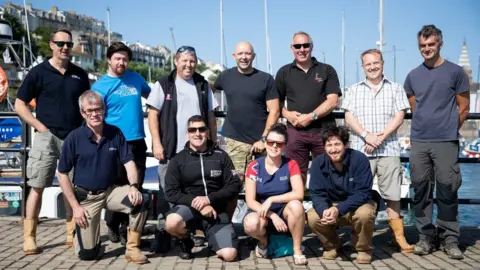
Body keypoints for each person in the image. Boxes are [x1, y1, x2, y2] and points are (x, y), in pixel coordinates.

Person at [14, 29, 90, 254]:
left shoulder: (79, 74)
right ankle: (30, 237)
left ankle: (71, 233)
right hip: (46, 137)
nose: (65, 47)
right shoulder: (39, 72)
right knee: (37, 185)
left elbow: (86, 105)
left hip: (74, 138)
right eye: (60, 43)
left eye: (68, 44)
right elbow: (20, 104)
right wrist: (40, 127)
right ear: (51, 45)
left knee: (72, 188)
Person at [57, 90, 149, 264]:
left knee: (141, 201)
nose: (94, 114)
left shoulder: (115, 133)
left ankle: (133, 248)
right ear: (82, 113)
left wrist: (135, 186)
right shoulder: (74, 138)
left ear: (104, 109)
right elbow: (62, 174)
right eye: (89, 111)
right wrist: (75, 207)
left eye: (98, 109)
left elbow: (129, 162)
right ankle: (83, 236)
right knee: (88, 255)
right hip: (87, 198)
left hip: (111, 191)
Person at [404, 25, 470, 259]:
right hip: (420, 140)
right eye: (422, 45)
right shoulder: (412, 76)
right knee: (420, 189)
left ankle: (449, 239)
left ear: (440, 44)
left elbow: (464, 107)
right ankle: (425, 238)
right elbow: (416, 106)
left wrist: (450, 128)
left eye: (431, 44)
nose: (427, 49)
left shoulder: (456, 72)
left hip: (446, 140)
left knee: (448, 189)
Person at [147, 45, 219, 252]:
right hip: (170, 150)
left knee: (195, 190)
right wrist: (157, 143)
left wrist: (213, 142)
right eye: (184, 61)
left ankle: (192, 233)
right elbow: (153, 114)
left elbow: (211, 117)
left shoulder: (203, 84)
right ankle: (163, 235)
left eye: (192, 61)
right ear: (176, 62)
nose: (188, 65)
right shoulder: (164, 84)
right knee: (165, 194)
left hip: (197, 152)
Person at [341, 49, 413, 253]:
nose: (372, 67)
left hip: (388, 148)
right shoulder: (353, 89)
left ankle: (397, 238)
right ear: (362, 67)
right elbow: (348, 117)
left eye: (376, 63)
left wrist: (379, 137)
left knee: (393, 196)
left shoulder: (396, 88)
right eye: (368, 64)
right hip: (360, 150)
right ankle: (358, 238)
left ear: (382, 63)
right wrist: (367, 135)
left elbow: (399, 116)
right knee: (357, 193)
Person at [92, 41, 151, 245]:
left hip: (137, 141)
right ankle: (112, 224)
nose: (121, 62)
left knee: (136, 185)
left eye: (125, 58)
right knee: (115, 186)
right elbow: (94, 116)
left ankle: (129, 230)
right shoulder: (100, 86)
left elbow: (152, 97)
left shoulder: (136, 78)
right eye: (117, 58)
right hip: (113, 142)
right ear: (109, 60)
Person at [213, 41, 280, 220]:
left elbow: (274, 110)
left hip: (261, 142)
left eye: (248, 54)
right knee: (231, 187)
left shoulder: (266, 79)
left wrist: (264, 139)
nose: (244, 57)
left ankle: (260, 229)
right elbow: (207, 89)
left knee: (262, 187)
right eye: (240, 54)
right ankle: (226, 227)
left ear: (253, 56)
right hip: (233, 141)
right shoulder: (225, 76)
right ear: (234, 56)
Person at [164, 115, 241, 261]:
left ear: (207, 131)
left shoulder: (221, 156)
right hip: (189, 210)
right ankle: (186, 240)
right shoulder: (178, 160)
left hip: (216, 212)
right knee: (172, 222)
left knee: (230, 255)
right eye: (192, 130)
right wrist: (198, 203)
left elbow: (234, 184)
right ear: (187, 133)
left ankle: (215, 238)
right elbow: (170, 192)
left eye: (201, 129)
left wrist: (208, 199)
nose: (197, 133)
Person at [275, 31, 342, 182]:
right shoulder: (284, 72)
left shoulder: (327, 70)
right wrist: (287, 115)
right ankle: (297, 205)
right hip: (295, 132)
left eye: (306, 45)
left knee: (327, 173)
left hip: (324, 132)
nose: (302, 49)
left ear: (312, 47)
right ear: (291, 48)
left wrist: (311, 116)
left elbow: (333, 101)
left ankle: (325, 205)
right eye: (297, 46)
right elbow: (275, 103)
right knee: (296, 175)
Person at [307, 126, 376, 264]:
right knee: (312, 217)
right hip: (331, 205)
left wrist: (338, 209)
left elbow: (363, 193)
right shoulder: (317, 163)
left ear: (346, 145)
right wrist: (324, 210)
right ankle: (332, 245)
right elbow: (317, 193)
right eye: (329, 145)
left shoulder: (360, 159)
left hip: (358, 204)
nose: (333, 149)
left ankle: (363, 249)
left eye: (337, 144)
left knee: (365, 214)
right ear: (324, 147)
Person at [243, 123, 307, 265]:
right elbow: (250, 201)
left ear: (284, 146)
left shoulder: (291, 164)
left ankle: (297, 250)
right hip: (262, 212)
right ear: (265, 143)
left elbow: (299, 193)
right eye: (270, 142)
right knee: (250, 223)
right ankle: (263, 241)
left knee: (297, 206)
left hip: (284, 212)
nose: (274, 146)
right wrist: (271, 215)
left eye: (279, 143)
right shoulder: (254, 166)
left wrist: (272, 199)